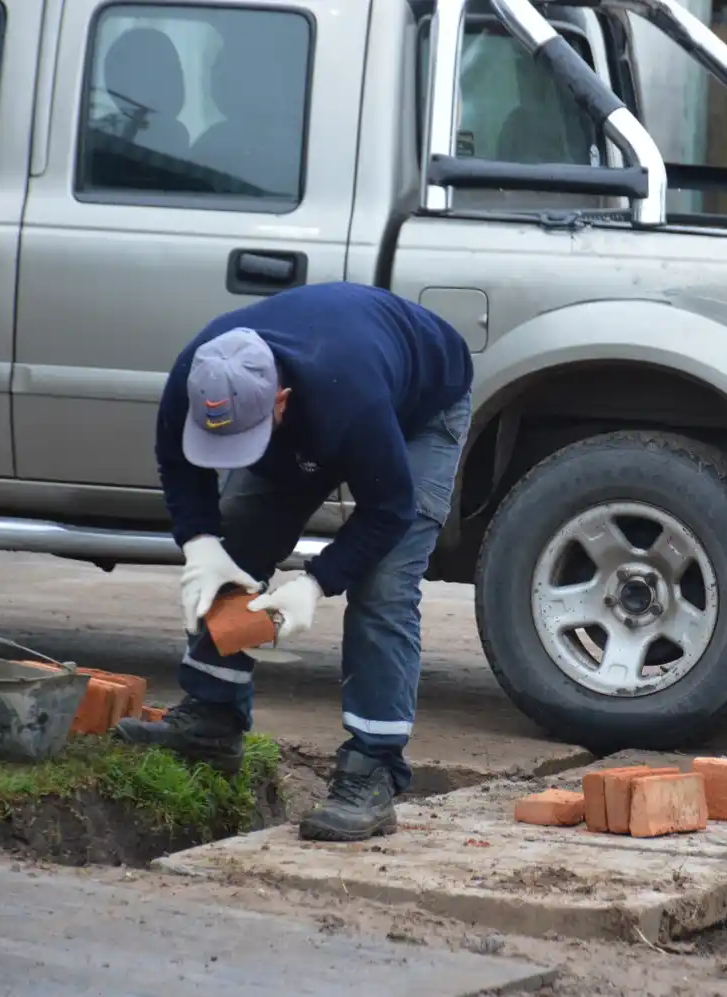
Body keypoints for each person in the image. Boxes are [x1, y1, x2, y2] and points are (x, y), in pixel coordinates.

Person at [115, 281, 475, 843]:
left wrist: (316, 582)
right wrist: (201, 544)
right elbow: (178, 463)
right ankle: (212, 718)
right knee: (238, 536)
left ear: (278, 399)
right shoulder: (200, 370)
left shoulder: (347, 395)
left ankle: (372, 769)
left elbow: (390, 510)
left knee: (382, 586)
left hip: (421, 403)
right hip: (337, 390)